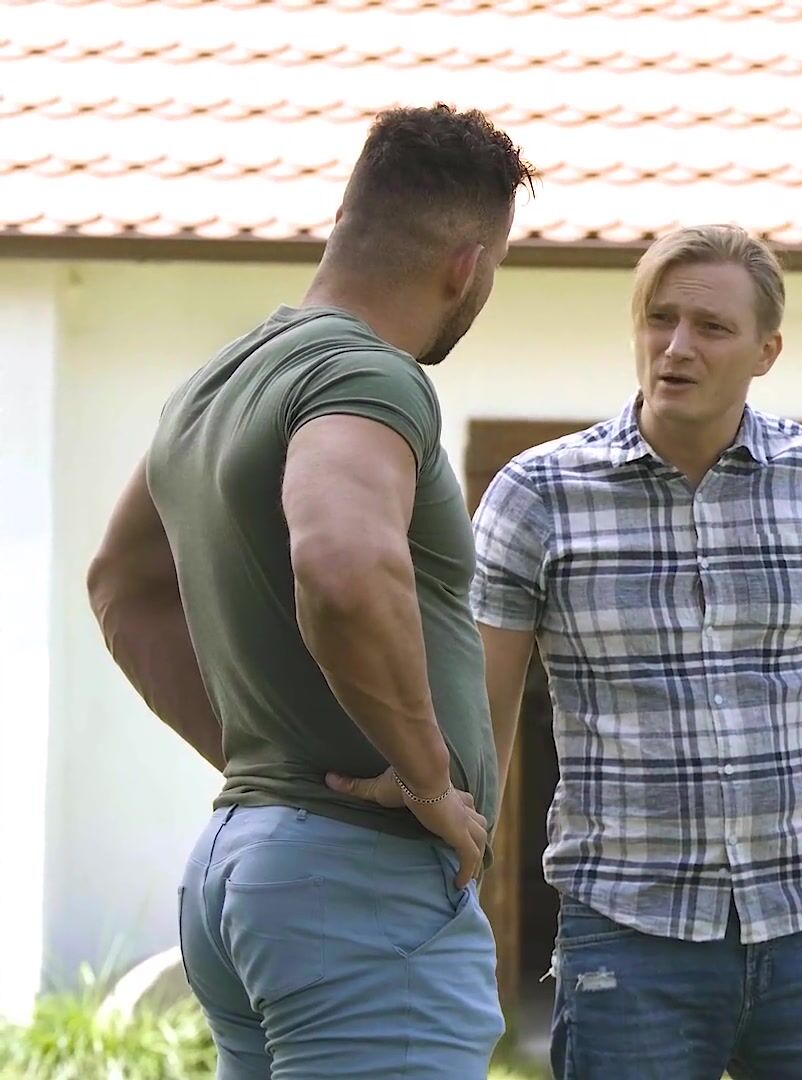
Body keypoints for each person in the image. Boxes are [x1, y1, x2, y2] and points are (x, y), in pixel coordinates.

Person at [469, 223, 802, 1079]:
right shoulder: (538, 494)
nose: (677, 347)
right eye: (659, 319)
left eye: (710, 327)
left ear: (765, 351)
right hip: (626, 932)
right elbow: (481, 708)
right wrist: (457, 883)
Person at [85, 104, 537, 1079]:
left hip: (246, 864)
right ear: (466, 266)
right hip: (355, 885)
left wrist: (272, 766)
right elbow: (341, 564)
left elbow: (122, 587)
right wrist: (426, 781)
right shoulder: (366, 374)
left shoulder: (214, 385)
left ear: (345, 221)